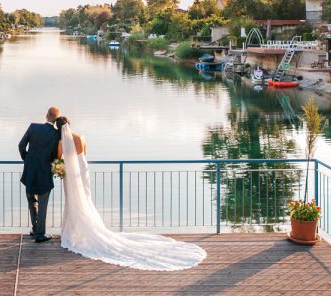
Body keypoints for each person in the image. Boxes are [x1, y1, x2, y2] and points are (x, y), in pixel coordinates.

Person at [56, 116, 206, 270]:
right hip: (82, 169)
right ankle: (83, 228)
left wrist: (58, 167)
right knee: (85, 199)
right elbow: (84, 154)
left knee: (72, 200)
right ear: (69, 124)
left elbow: (60, 159)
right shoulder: (81, 138)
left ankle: (72, 232)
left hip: (70, 174)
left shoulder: (61, 143)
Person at [18, 106, 62, 242]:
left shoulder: (33, 127)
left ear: (46, 115)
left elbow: (21, 145)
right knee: (43, 204)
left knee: (32, 201)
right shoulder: (56, 134)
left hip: (30, 171)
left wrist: (27, 159)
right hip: (45, 173)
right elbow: (56, 156)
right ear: (56, 120)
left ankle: (35, 229)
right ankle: (39, 234)